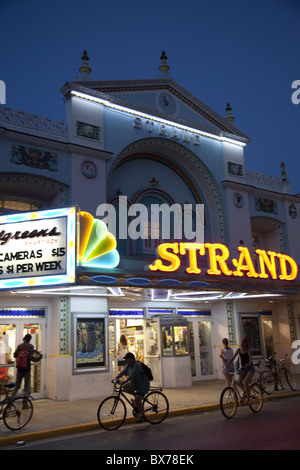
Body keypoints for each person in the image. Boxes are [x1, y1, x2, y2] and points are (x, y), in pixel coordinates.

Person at [112, 352, 150, 423]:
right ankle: (136, 395)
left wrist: (125, 380)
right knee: (125, 387)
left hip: (143, 385)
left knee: (138, 400)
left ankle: (143, 416)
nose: (125, 361)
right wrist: (115, 379)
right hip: (135, 384)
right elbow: (122, 373)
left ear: (131, 359)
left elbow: (131, 375)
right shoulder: (128, 366)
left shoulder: (137, 365)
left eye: (127, 359)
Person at [225, 337, 255, 404]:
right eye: (240, 342)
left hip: (250, 368)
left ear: (245, 343)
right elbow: (233, 357)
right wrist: (226, 364)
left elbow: (250, 358)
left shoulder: (248, 349)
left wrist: (249, 364)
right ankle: (245, 391)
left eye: (242, 342)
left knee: (246, 382)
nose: (241, 343)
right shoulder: (239, 349)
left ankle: (248, 400)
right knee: (239, 381)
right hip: (243, 368)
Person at [12, 334, 34, 399]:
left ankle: (10, 401)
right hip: (27, 369)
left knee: (17, 386)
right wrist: (39, 357)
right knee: (27, 387)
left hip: (19, 369)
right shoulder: (31, 346)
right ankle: (25, 403)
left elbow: (15, 355)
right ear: (30, 339)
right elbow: (31, 358)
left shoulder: (20, 346)